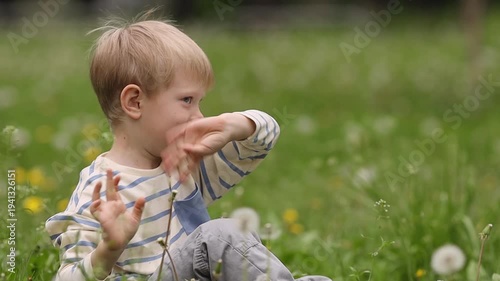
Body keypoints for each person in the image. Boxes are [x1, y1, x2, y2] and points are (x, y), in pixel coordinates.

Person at [45, 12, 332, 281]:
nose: (199, 116)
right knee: (222, 235)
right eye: (187, 100)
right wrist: (108, 249)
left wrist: (233, 125)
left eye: (200, 102)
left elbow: (262, 140)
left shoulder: (183, 165)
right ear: (135, 102)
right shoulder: (99, 191)